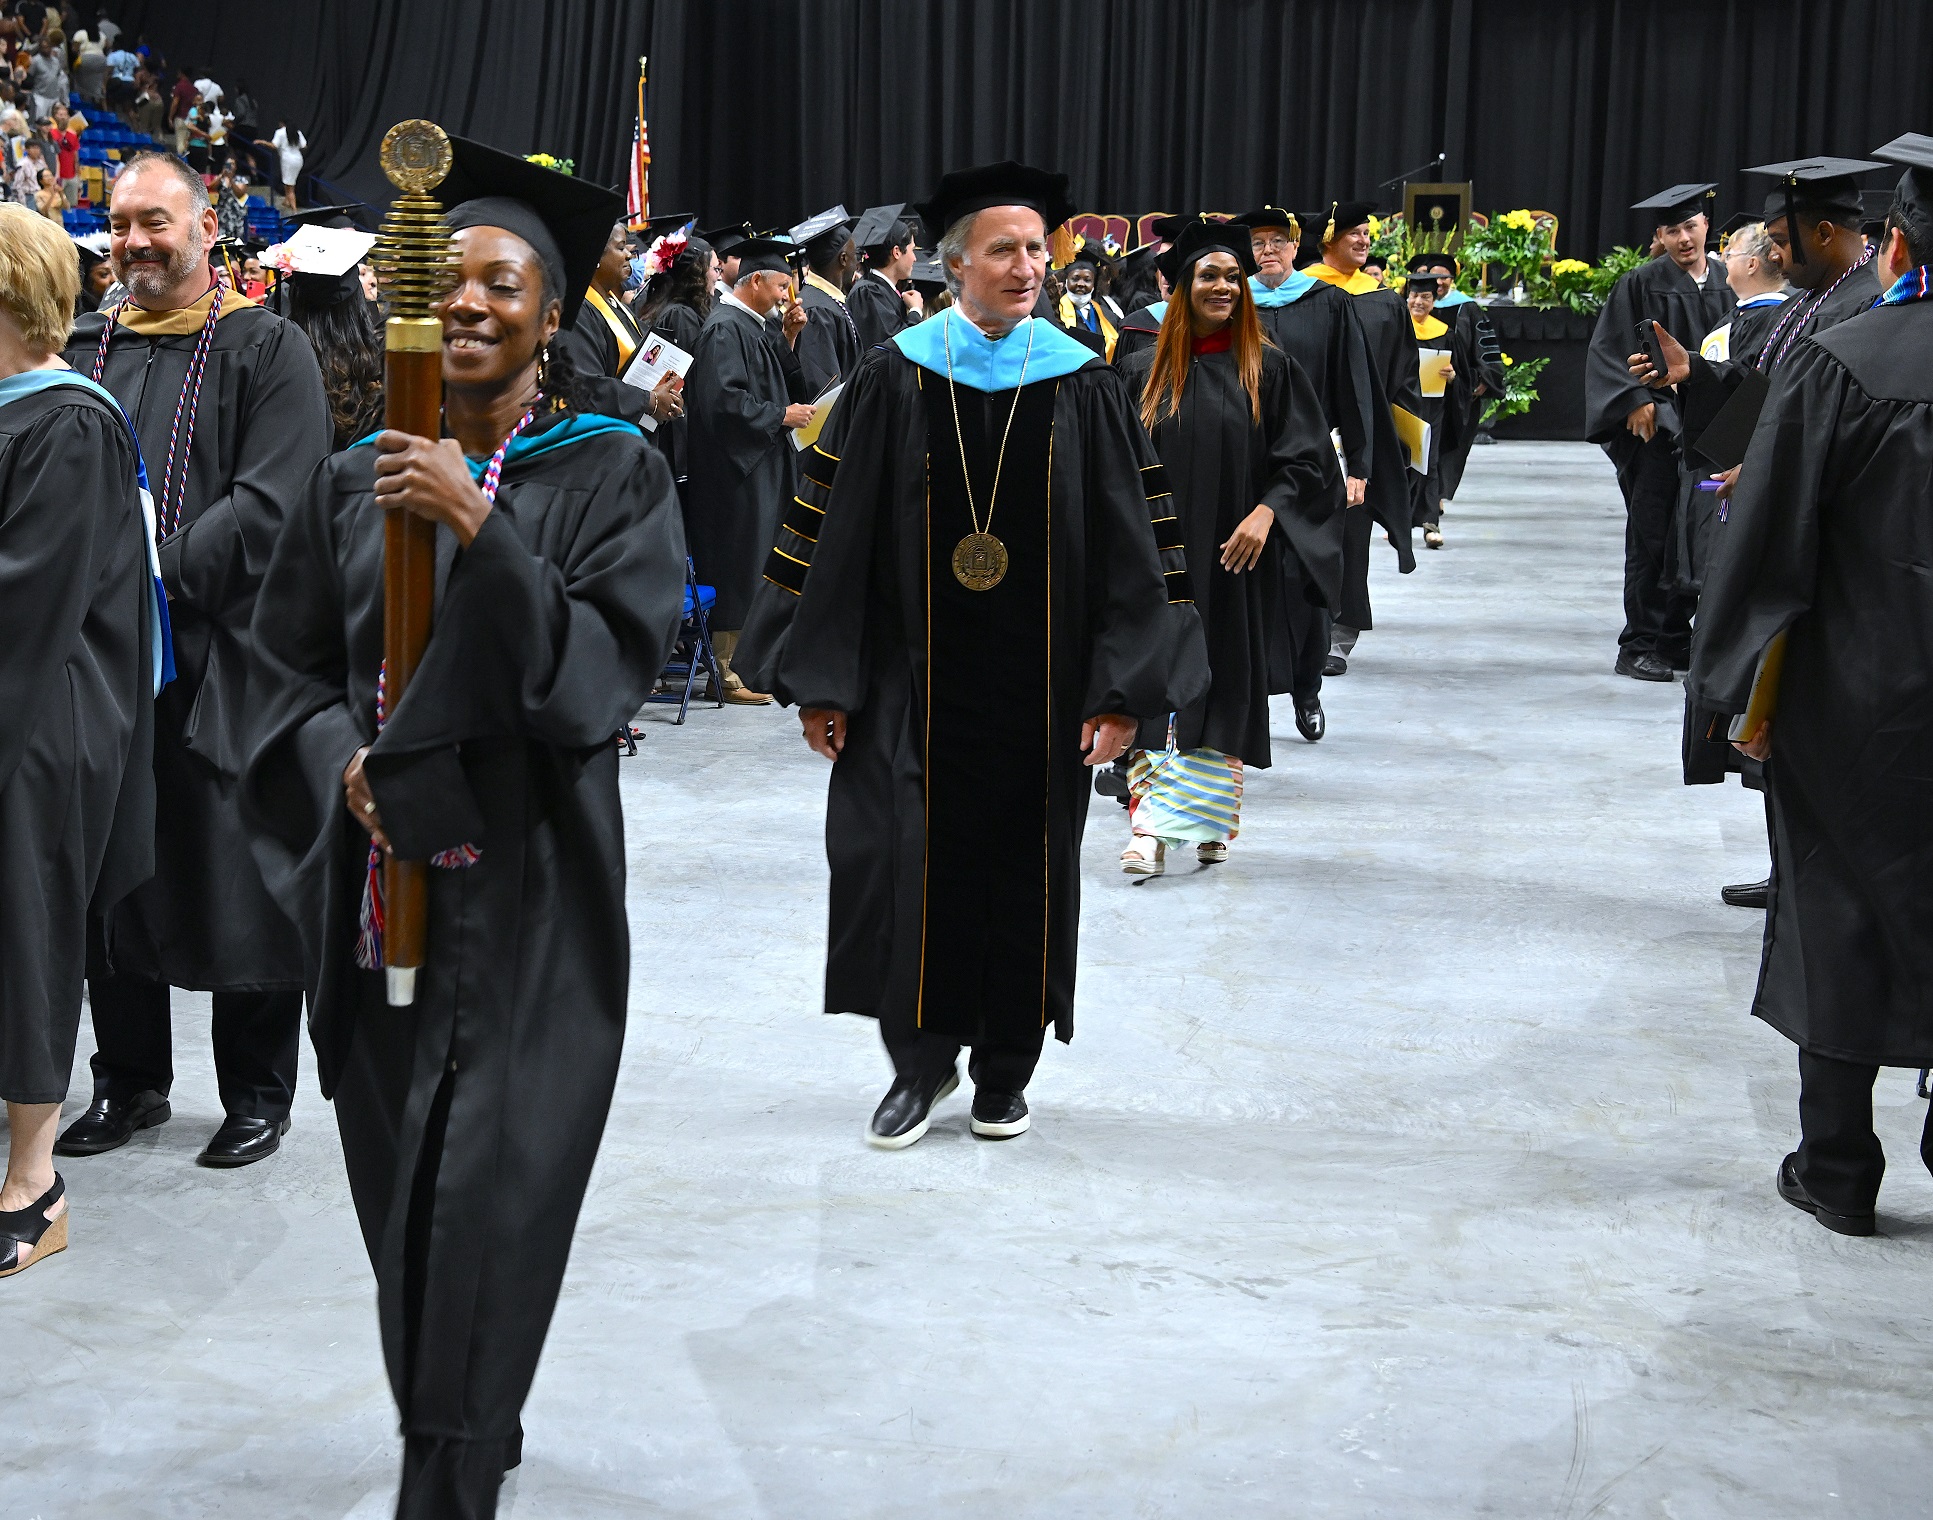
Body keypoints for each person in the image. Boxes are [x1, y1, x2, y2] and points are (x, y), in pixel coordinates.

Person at [241, 135, 687, 1515]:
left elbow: (595, 678)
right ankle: (459, 1426)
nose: (479, 304)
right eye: (458, 283)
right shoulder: (348, 477)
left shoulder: (611, 474)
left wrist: (482, 533)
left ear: (556, 316)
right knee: (404, 1216)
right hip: (380, 900)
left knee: (487, 1213)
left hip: (532, 905)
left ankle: (446, 1478)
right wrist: (342, 765)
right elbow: (283, 678)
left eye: (513, 283)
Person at [734, 160, 1209, 1149]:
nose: (1029, 265)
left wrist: (1125, 690)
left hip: (1044, 695)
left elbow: (1141, 551)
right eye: (1005, 248)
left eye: (1039, 247)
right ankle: (918, 1067)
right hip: (910, 689)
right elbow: (825, 531)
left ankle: (1004, 1070)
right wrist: (824, 678)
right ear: (956, 265)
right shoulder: (892, 375)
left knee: (1026, 876)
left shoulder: (1083, 382)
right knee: (909, 868)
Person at [55, 152, 330, 1169]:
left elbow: (269, 505)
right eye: (121, 225)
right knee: (112, 871)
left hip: (231, 659)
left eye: (155, 222)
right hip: (106, 666)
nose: (134, 243)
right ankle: (130, 1081)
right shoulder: (90, 349)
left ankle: (257, 1090)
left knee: (238, 869)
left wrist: (148, 583)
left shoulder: (269, 350)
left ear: (208, 229)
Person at [1683, 135, 1933, 1238]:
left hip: (1855, 699)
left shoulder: (1843, 360)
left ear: (1898, 238)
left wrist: (1736, 690)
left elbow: (1768, 542)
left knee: (1834, 907)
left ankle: (1837, 1166)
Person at [1633, 159, 1887, 914]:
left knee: (1796, 717)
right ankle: (1788, 867)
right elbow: (1767, 402)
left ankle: (1806, 873)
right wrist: (1690, 376)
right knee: (1771, 717)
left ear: (1826, 231)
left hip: (1818, 556)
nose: (1773, 255)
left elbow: (1827, 434)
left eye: (1780, 241)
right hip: (1764, 522)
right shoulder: (1812, 305)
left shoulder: (1863, 312)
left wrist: (1770, 470)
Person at [0, 203, 155, 1281]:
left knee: (28, 935)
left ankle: (33, 1180)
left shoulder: (67, 420)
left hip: (40, 723)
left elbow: (26, 600)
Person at [1116, 217, 1341, 874]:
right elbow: (1107, 471)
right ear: (1181, 287)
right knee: (1156, 687)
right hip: (1156, 563)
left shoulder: (1269, 371)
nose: (1222, 286)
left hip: (1234, 559)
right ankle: (1154, 831)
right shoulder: (1134, 373)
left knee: (1224, 687)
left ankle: (1202, 819)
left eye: (1233, 277)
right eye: (1208, 275)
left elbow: (1306, 464)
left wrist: (1266, 515)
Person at [1238, 204, 1394, 735]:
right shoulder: (1235, 303)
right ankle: (1249, 696)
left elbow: (1355, 388)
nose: (1268, 251)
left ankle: (1307, 689)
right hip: (1246, 464)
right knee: (1247, 583)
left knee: (1309, 580)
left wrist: (1359, 465)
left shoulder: (1327, 303)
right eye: (1258, 242)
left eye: (1278, 241)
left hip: (1314, 462)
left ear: (1296, 245)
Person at [1584, 183, 1732, 682]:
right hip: (1660, 426)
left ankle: (1675, 638)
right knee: (1653, 531)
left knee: (1697, 533)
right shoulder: (1641, 282)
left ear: (1707, 226)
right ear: (1660, 236)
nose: (1684, 238)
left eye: (1691, 226)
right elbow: (1609, 348)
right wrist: (1636, 399)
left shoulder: (1730, 282)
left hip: (1713, 424)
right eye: (1673, 230)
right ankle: (1639, 643)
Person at [684, 233, 815, 705]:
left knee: (759, 558)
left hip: (758, 465)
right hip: (733, 474)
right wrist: (781, 416)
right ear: (756, 279)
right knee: (739, 560)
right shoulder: (724, 328)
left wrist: (790, 338)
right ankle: (729, 670)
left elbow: (778, 379)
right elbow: (724, 402)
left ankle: (754, 662)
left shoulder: (751, 326)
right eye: (781, 286)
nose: (786, 296)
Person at [1300, 199, 1420, 672]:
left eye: (1367, 234)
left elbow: (1404, 371)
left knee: (1353, 534)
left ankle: (1339, 634)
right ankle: (1301, 625)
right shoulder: (1299, 291)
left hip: (1361, 436)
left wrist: (1398, 432)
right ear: (1327, 239)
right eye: (1355, 233)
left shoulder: (1382, 298)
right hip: (1305, 431)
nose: (1364, 241)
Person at [564, 215, 682, 428]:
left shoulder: (615, 305)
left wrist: (668, 391)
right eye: (620, 248)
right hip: (601, 441)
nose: (629, 255)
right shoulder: (578, 311)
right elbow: (586, 384)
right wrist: (649, 400)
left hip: (631, 432)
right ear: (595, 256)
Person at [1412, 252, 1504, 513]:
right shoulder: (1409, 308)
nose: (1438, 282)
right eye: (1432, 277)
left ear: (1452, 278)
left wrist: (1484, 378)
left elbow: (1485, 348)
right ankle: (1422, 501)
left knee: (1447, 444)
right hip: (1417, 392)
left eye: (1443, 276)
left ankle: (1435, 496)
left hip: (1456, 390)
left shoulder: (1467, 308)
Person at [1401, 270, 1459, 549]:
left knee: (1430, 462)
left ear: (1434, 301)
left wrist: (1453, 376)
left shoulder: (1445, 333)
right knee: (1404, 461)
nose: (1418, 302)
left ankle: (1430, 524)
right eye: (1414, 295)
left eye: (1425, 297)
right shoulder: (1397, 327)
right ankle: (1399, 520)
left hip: (1433, 405)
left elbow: (1462, 373)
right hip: (1402, 404)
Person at [791, 207, 862, 392]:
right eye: (856, 257)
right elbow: (824, 387)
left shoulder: (828, 301)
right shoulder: (816, 311)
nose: (858, 264)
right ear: (844, 259)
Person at [1697, 217, 1787, 365]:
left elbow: (1742, 376)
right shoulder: (1739, 313)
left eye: (1730, 255)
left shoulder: (1773, 317)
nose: (1723, 261)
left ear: (1751, 264)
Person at [846, 203, 921, 350]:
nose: (915, 258)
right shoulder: (868, 293)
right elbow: (895, 347)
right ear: (897, 252)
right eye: (912, 250)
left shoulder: (881, 289)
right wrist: (915, 311)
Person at [1057, 239, 1119, 358]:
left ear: (1094, 284)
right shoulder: (1055, 312)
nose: (1081, 284)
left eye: (1087, 280)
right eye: (1075, 278)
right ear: (1066, 281)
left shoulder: (1108, 315)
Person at [255, 118, 302, 211]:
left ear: (281, 123)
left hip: (287, 160)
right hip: (298, 159)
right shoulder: (297, 132)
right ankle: (287, 201)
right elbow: (304, 145)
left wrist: (262, 142)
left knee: (290, 186)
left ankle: (294, 209)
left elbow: (274, 145)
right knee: (289, 181)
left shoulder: (280, 132)